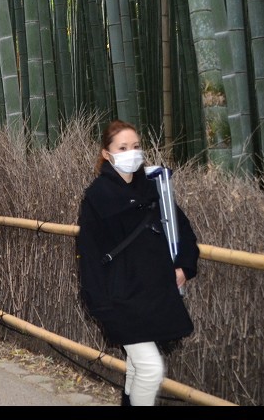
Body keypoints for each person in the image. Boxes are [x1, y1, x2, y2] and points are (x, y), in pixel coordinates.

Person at [76, 120, 200, 406]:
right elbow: (90, 256)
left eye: (135, 147)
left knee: (136, 366)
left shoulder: (154, 189)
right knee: (150, 368)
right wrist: (98, 303)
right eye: (122, 148)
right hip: (119, 297)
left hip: (154, 294)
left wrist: (184, 266)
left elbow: (183, 230)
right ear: (107, 154)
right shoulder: (98, 196)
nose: (131, 153)